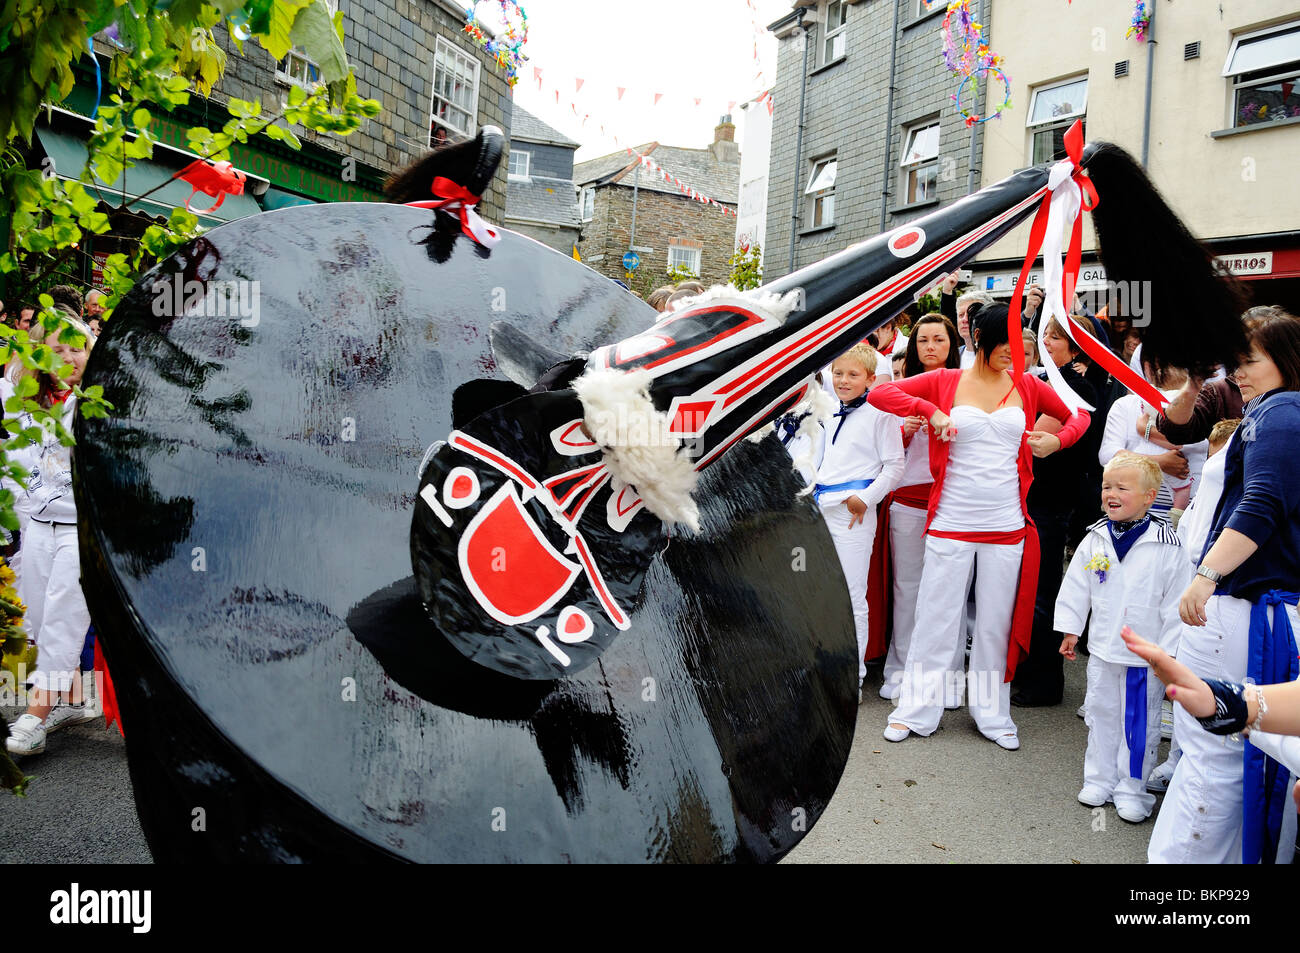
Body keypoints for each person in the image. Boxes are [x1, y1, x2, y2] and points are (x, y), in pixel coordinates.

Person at [867, 306, 1091, 748]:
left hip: (1006, 525)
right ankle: (916, 710)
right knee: (936, 617)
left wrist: (1056, 441)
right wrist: (929, 413)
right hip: (950, 521)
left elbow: (1079, 414)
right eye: (1006, 345)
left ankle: (992, 713)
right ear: (983, 340)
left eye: (1020, 345)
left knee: (994, 624)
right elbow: (879, 396)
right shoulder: (946, 381)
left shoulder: (1027, 384)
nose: (1015, 354)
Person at [1146, 311, 1300, 864]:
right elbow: (1171, 427)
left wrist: (1208, 576)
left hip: (1245, 602)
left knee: (1216, 755)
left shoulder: (1280, 413)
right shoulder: (1273, 409)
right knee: (1220, 752)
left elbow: (1263, 503)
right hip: (1249, 603)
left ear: (1286, 358)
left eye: (1248, 359)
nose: (1237, 372)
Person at [1055, 451, 1185, 822]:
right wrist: (1071, 628)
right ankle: (1098, 778)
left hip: (1145, 655)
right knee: (1100, 713)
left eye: (1121, 488)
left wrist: (1168, 655)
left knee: (1139, 723)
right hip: (1103, 647)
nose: (1110, 493)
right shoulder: (1095, 538)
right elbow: (1077, 586)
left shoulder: (1168, 545)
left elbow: (1175, 604)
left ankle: (1131, 787)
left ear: (1149, 496)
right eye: (1106, 486)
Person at [4, 313, 99, 757]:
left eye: (76, 348)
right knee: (40, 622)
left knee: (64, 621)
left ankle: (34, 718)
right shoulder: (23, 403)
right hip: (37, 528)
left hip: (81, 533)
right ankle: (77, 698)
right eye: (56, 350)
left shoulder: (99, 402)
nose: (68, 358)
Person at [1013, 317, 1102, 707]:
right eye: (1045, 335)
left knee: (1041, 592)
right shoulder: (1050, 383)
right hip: (1035, 501)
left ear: (1076, 347)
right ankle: (1029, 673)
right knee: (1030, 590)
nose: (1047, 342)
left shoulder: (1076, 387)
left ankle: (1044, 682)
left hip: (1051, 504)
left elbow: (1032, 439)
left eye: (1056, 337)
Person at [812, 345, 905, 701]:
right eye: (838, 374)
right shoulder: (829, 409)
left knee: (852, 597)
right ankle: (824, 666)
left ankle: (853, 675)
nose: (844, 381)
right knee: (822, 593)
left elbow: (895, 466)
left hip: (853, 514)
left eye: (853, 375)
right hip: (822, 507)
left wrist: (865, 498)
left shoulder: (882, 414)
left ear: (870, 379)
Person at [880, 314, 961, 701]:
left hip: (954, 501)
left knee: (950, 592)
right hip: (909, 499)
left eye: (939, 340)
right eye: (923, 340)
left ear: (953, 344)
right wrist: (903, 430)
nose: (930, 346)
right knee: (907, 587)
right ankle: (899, 671)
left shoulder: (969, 387)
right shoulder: (898, 389)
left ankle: (946, 679)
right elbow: (876, 447)